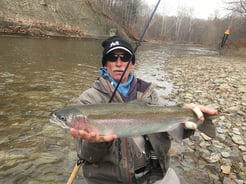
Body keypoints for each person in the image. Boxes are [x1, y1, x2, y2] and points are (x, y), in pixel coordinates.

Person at [70, 36, 218, 184]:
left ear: (132, 64)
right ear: (105, 65)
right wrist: (96, 142)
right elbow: (88, 156)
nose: (119, 63)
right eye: (112, 57)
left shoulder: (148, 92)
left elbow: (170, 126)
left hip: (155, 175)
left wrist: (186, 121)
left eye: (125, 57)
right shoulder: (88, 100)